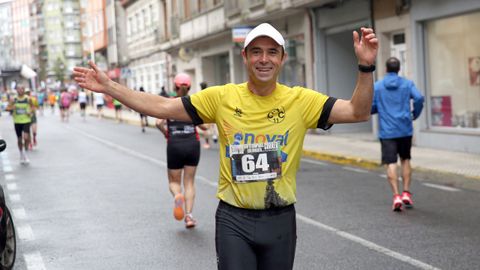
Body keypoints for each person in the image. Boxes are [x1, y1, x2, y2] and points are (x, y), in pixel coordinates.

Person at [74, 23, 378, 270]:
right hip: (234, 219)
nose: (264, 59)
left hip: (280, 220)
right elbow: (163, 108)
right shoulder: (221, 97)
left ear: (282, 59)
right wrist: (109, 87)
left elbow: (357, 112)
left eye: (272, 52)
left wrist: (366, 66)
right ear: (244, 57)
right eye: (256, 51)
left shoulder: (301, 100)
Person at [155, 73, 208, 228]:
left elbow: (158, 123)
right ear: (189, 87)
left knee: (174, 182)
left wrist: (166, 133)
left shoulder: (170, 103)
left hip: (174, 144)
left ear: (175, 87)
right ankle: (189, 217)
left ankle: (178, 195)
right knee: (190, 182)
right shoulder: (194, 103)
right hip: (193, 143)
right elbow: (205, 126)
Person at [371, 57, 424, 212]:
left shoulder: (378, 86)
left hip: (387, 131)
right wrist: (415, 114)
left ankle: (396, 196)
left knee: (391, 163)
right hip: (405, 129)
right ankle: (406, 192)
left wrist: (379, 109)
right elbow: (419, 98)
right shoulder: (407, 84)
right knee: (405, 159)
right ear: (399, 69)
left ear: (386, 69)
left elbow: (372, 106)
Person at [6, 86, 35, 164]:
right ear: (16, 90)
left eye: (22, 89)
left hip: (26, 120)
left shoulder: (28, 99)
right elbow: (7, 108)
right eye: (18, 89)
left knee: (26, 138)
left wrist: (30, 112)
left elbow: (33, 107)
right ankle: (21, 153)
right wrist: (12, 108)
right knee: (19, 139)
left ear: (24, 90)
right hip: (17, 121)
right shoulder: (13, 99)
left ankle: (25, 152)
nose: (20, 90)